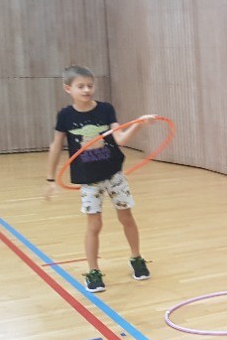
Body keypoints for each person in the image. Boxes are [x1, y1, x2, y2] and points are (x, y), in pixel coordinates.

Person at [45, 65, 155, 293]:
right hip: (89, 180)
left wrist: (138, 123)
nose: (87, 90)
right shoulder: (65, 116)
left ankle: (136, 258)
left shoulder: (105, 109)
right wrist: (50, 179)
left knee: (126, 218)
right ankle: (93, 271)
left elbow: (120, 139)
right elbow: (56, 146)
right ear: (68, 88)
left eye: (90, 85)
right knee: (94, 225)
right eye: (81, 86)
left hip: (114, 175)